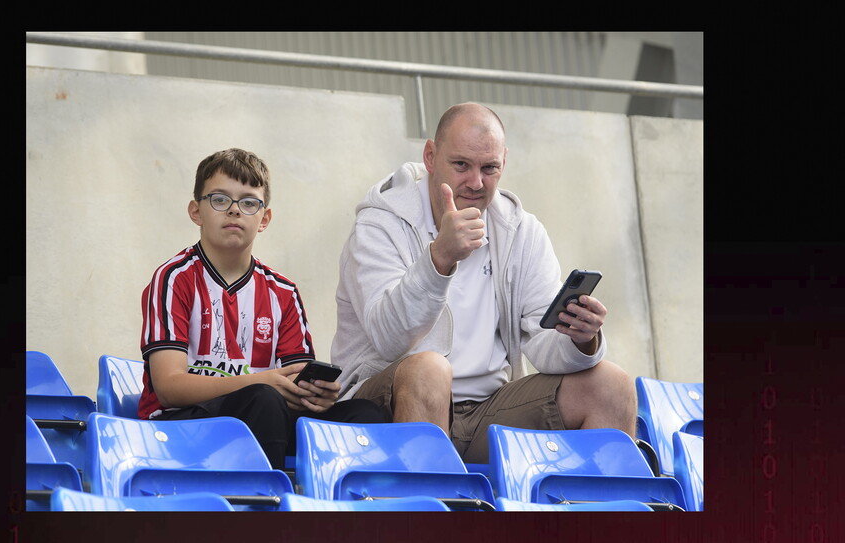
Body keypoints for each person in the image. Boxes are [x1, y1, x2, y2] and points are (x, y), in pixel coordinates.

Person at [331, 103, 637, 465]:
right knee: (429, 370)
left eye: (489, 168)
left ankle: (599, 518)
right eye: (461, 165)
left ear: (503, 163)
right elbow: (388, 337)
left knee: (611, 385)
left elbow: (542, 343)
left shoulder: (521, 230)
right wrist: (438, 260)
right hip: (387, 406)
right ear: (430, 156)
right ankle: (425, 515)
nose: (476, 183)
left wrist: (580, 339)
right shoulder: (381, 224)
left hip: (489, 410)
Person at [137, 148, 386, 470]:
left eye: (249, 202)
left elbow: (295, 381)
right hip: (182, 427)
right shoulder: (174, 279)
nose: (234, 211)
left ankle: (339, 514)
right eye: (220, 199)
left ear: (264, 218)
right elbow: (169, 388)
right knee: (263, 398)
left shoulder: (282, 292)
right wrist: (260, 383)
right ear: (196, 211)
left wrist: (315, 395)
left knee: (364, 414)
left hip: (266, 414)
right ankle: (267, 504)